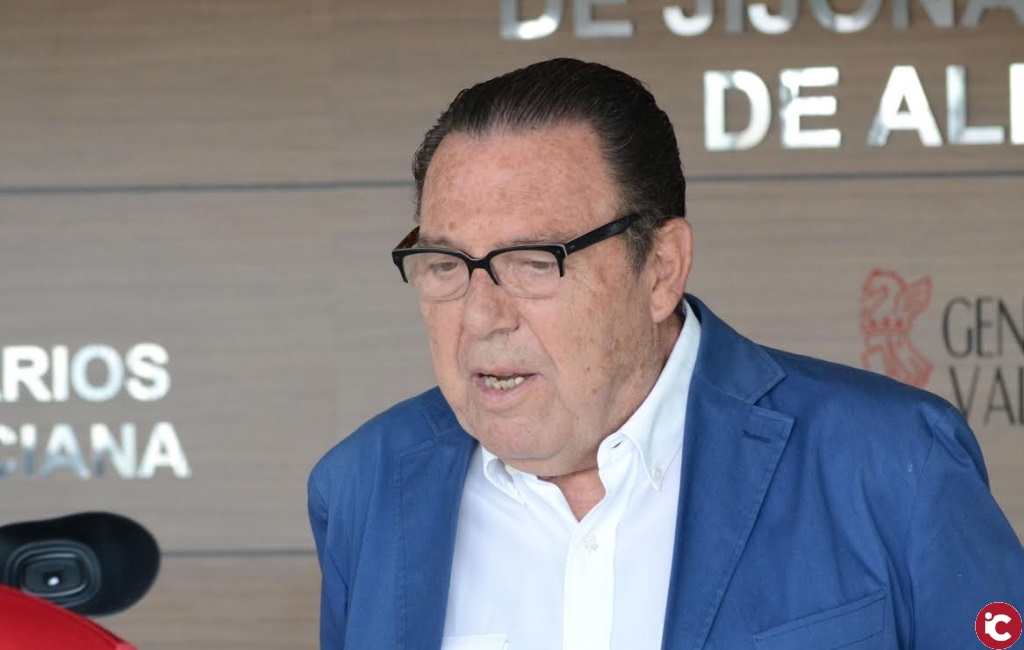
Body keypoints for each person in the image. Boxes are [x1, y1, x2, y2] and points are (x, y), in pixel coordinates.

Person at [308, 58, 1024, 650]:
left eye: (532, 262)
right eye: (444, 264)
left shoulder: (893, 460)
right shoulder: (361, 487)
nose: (480, 317)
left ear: (661, 269)